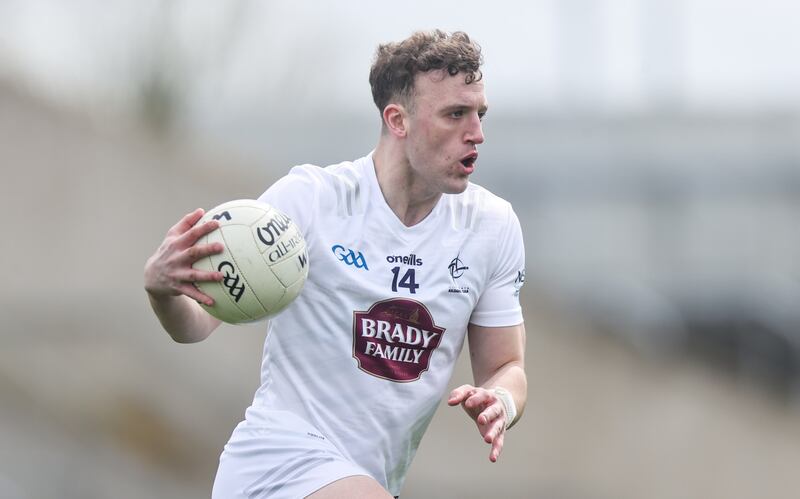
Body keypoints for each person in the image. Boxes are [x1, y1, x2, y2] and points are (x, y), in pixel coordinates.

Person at [144, 29, 527, 498]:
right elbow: (196, 324)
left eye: (479, 114)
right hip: (278, 465)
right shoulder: (311, 201)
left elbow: (507, 364)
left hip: (368, 478)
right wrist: (162, 290)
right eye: (455, 114)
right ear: (397, 120)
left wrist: (501, 400)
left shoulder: (491, 227)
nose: (477, 133)